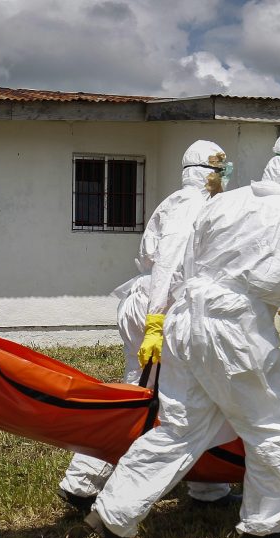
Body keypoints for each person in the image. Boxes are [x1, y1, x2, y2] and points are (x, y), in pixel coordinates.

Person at [84, 128, 280, 538]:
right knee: (270, 427)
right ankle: (266, 527)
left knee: (178, 427)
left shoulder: (225, 201)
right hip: (238, 329)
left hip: (186, 321)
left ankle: (114, 514)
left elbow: (187, 264)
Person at [58, 140, 237, 513]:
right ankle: (83, 482)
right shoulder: (193, 204)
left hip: (157, 304)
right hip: (163, 307)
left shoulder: (179, 200)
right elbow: (168, 260)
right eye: (221, 169)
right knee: (151, 398)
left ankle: (209, 488)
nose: (225, 176)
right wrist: (157, 318)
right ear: (207, 172)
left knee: (163, 393)